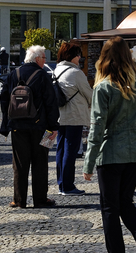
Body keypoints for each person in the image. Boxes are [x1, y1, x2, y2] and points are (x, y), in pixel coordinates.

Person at [82, 36, 136, 253]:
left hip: (110, 153)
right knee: (126, 201)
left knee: (109, 208)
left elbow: (97, 127)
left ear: (104, 57)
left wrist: (88, 163)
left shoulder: (103, 87)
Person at [0, 45, 60, 208]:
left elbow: (4, 99)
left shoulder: (13, 74)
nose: (45, 61)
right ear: (38, 58)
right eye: (44, 58)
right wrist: (54, 126)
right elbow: (51, 103)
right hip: (42, 128)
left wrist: (7, 122)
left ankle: (19, 200)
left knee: (19, 163)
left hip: (17, 126)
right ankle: (40, 199)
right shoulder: (43, 75)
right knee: (41, 162)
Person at [53, 43, 92, 196]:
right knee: (71, 150)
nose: (80, 58)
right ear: (73, 56)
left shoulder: (57, 70)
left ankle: (61, 183)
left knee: (61, 150)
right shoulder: (76, 73)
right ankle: (68, 186)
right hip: (74, 115)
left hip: (59, 116)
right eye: (79, 55)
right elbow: (89, 93)